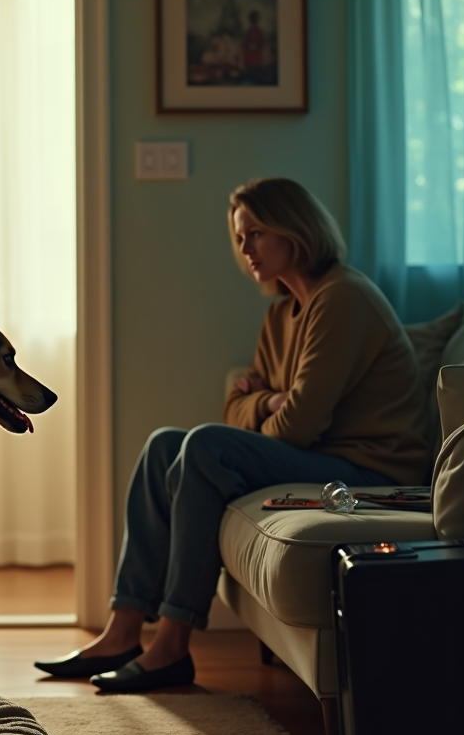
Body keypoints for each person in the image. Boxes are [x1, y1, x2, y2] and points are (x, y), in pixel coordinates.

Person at [35, 177, 429, 692]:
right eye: (240, 238)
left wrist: (264, 403)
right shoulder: (280, 312)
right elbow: (239, 404)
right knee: (164, 447)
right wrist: (267, 400)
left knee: (204, 445)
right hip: (322, 457)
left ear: (295, 229)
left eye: (256, 233)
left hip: (372, 472)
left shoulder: (343, 300)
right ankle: (122, 631)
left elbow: (299, 426)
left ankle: (173, 645)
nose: (245, 250)